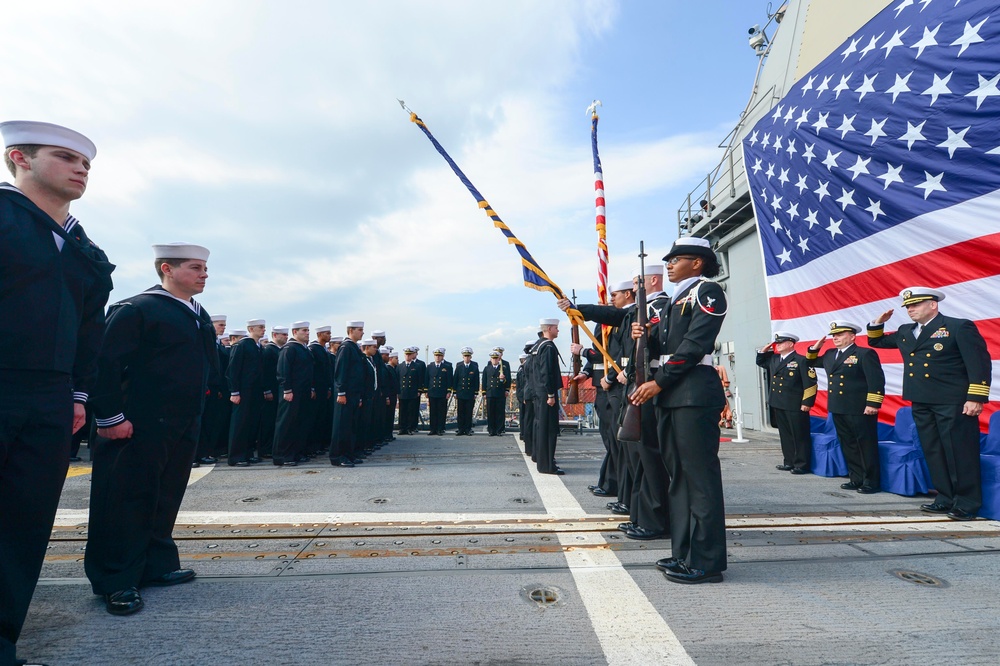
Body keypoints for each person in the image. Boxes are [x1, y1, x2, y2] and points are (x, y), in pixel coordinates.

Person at [0, 120, 114, 664]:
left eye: (87, 162)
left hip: (50, 397)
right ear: (18, 158)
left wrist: (77, 395)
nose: (81, 168)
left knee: (25, 519)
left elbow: (89, 329)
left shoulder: (81, 246)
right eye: (66, 157)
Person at [86, 242, 215, 616]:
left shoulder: (195, 312)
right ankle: (116, 580)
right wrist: (109, 417)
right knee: (123, 500)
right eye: (195, 267)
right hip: (136, 424)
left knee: (163, 494)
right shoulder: (138, 309)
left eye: (205, 268)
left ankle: (155, 565)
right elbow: (104, 365)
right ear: (167, 269)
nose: (204, 274)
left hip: (179, 423)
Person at [630, 237, 728, 584]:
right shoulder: (675, 300)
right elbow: (666, 348)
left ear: (697, 262)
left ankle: (706, 561)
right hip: (673, 396)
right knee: (679, 479)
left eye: (677, 259)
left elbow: (694, 345)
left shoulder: (707, 291)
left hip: (693, 394)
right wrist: (644, 336)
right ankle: (684, 552)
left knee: (700, 480)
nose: (669, 264)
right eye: (669, 260)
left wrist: (660, 381)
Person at [868, 287, 992, 519]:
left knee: (959, 451)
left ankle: (967, 503)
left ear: (933, 304)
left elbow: (979, 362)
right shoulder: (906, 331)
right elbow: (876, 342)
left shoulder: (957, 326)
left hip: (953, 401)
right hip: (921, 400)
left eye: (915, 304)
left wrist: (975, 397)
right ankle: (945, 497)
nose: (910, 309)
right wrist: (878, 322)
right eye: (907, 306)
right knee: (933, 450)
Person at [807, 322, 885, 493]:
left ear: (852, 336)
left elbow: (876, 380)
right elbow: (809, 362)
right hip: (838, 407)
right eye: (834, 335)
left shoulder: (864, 353)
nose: (835, 337)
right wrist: (815, 347)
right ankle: (856, 478)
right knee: (848, 444)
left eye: (840, 334)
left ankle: (871, 481)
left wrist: (873, 404)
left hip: (859, 408)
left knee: (866, 445)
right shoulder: (829, 354)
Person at [756, 331, 817, 474]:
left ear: (790, 344)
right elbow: (760, 362)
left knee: (799, 435)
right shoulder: (774, 359)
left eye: (781, 342)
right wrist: (763, 351)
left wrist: (807, 402)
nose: (778, 345)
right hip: (778, 403)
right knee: (785, 435)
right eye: (777, 343)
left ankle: (802, 464)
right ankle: (789, 461)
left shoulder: (802, 360)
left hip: (795, 404)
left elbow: (811, 383)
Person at [227, 318, 268, 466]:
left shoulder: (257, 346)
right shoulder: (241, 345)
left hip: (255, 390)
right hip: (243, 390)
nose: (263, 330)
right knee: (240, 423)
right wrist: (234, 391)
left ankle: (247, 453)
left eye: (264, 327)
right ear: (251, 329)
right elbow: (233, 369)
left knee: (252, 423)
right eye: (260, 327)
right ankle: (236, 456)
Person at [272, 322, 314, 466]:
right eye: (304, 330)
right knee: (286, 423)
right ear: (295, 332)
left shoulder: (304, 349)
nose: (308, 333)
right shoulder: (289, 348)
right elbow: (283, 370)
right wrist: (287, 390)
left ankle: (295, 453)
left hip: (302, 391)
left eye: (308, 330)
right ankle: (281, 455)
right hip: (291, 391)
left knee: (299, 423)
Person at [331, 321, 365, 466]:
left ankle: (348, 453)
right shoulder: (345, 348)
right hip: (346, 393)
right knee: (342, 425)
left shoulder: (353, 347)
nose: (362, 332)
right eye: (360, 330)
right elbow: (341, 371)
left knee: (350, 425)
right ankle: (338, 456)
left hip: (354, 393)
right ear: (351, 330)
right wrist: (341, 392)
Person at [532, 319, 563, 475]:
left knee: (540, 427)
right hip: (546, 393)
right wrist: (551, 394)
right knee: (549, 429)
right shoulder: (548, 347)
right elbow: (547, 372)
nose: (558, 331)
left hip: (539, 391)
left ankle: (541, 460)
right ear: (549, 328)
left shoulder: (538, 346)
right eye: (556, 328)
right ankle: (547, 465)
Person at [308, 326, 334, 456]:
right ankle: (312, 447)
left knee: (322, 418)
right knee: (314, 418)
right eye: (327, 333)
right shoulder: (313, 349)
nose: (329, 335)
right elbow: (313, 370)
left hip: (324, 388)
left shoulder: (324, 350)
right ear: (319, 334)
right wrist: (312, 387)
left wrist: (329, 387)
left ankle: (319, 445)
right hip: (317, 388)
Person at [397, 347, 425, 435]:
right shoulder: (400, 366)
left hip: (412, 391)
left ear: (412, 355)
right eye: (406, 354)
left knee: (411, 411)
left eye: (409, 354)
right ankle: (402, 428)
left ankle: (409, 428)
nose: (408, 356)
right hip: (402, 392)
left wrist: (419, 390)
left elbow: (420, 379)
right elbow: (397, 379)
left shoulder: (417, 366)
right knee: (402, 411)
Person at [481, 350, 510, 436]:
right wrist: (484, 393)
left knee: (500, 412)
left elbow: (507, 381)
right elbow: (484, 381)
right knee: (490, 412)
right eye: (493, 358)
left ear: (498, 359)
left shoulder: (503, 368)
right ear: (491, 359)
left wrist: (503, 380)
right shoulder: (487, 368)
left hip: (499, 393)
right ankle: (491, 430)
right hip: (490, 393)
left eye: (496, 358)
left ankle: (499, 430)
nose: (494, 360)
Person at [426, 348, 453, 436]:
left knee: (441, 411)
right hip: (432, 391)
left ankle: (440, 428)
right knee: (432, 411)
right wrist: (426, 390)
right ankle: (432, 429)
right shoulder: (430, 366)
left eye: (439, 356)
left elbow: (449, 380)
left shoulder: (447, 367)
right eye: (436, 355)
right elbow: (427, 379)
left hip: (442, 392)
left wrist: (449, 391)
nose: (437, 357)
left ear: (443, 356)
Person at [453, 348, 480, 435]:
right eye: (465, 356)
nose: (467, 358)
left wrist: (476, 392)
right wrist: (455, 392)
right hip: (461, 392)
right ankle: (460, 429)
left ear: (471, 357)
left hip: (470, 393)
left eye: (468, 356)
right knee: (460, 412)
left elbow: (476, 380)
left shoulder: (474, 367)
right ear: (463, 357)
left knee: (469, 412)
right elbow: (456, 379)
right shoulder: (459, 366)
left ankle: (468, 429)